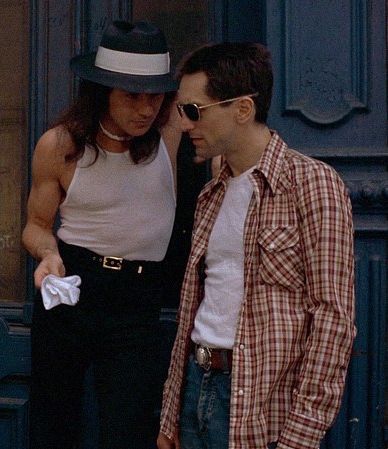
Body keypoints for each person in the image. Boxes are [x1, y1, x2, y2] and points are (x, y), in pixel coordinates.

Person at [157, 42, 356, 449]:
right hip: (197, 387)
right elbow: (196, 309)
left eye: (193, 110)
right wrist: (171, 413)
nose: (184, 124)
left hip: (259, 405)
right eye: (181, 111)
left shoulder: (312, 185)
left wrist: (300, 437)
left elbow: (332, 321)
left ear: (243, 109)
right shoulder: (211, 194)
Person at [22, 20, 194, 449]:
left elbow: (219, 93)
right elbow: (36, 226)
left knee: (128, 428)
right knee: (53, 424)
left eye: (155, 96)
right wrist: (48, 254)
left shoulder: (170, 132)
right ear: (102, 92)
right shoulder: (60, 146)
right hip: (74, 284)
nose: (146, 109)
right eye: (132, 95)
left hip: (138, 299)